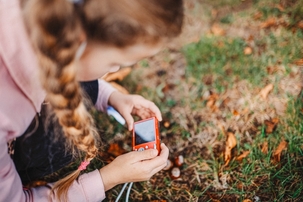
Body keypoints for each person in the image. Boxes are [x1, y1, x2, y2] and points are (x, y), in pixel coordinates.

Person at [0, 0, 184, 201]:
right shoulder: (6, 114)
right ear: (79, 42)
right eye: (115, 63)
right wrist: (108, 178)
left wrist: (111, 96)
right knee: (65, 144)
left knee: (85, 84)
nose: (115, 71)